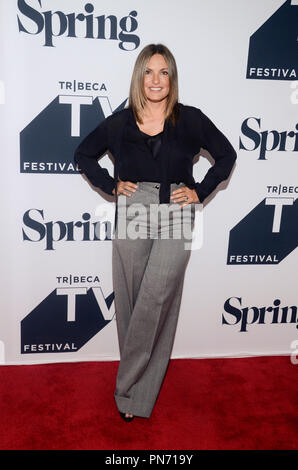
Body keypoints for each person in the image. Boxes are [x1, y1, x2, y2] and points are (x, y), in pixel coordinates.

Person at [74, 43, 237, 422]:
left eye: (163, 72)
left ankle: (126, 389)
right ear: (138, 76)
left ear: (172, 78)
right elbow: (82, 153)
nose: (156, 80)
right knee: (131, 297)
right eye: (149, 71)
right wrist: (109, 183)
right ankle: (136, 393)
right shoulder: (120, 122)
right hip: (133, 209)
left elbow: (226, 155)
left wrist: (200, 190)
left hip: (179, 210)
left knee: (158, 296)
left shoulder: (191, 119)